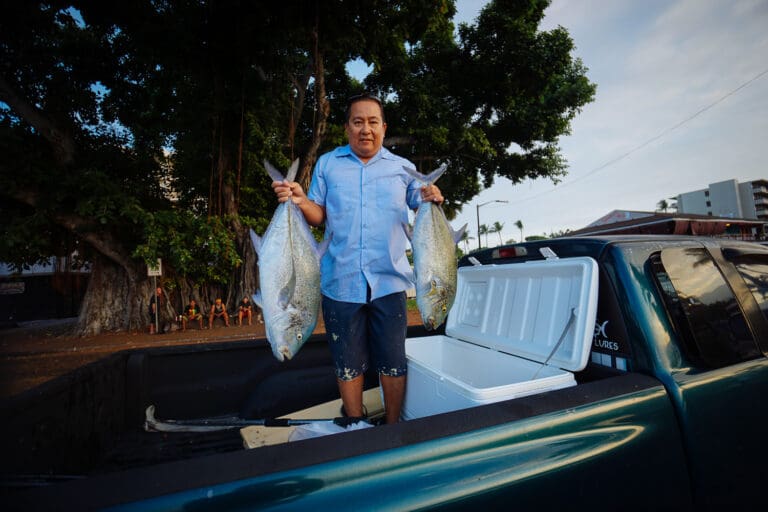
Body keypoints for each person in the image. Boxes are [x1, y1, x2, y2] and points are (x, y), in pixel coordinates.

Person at [271, 93, 444, 424]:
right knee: (346, 361)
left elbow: (420, 204)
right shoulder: (328, 164)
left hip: (390, 280)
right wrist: (298, 199)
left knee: (393, 360)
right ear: (347, 127)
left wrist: (431, 195)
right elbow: (318, 215)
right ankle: (355, 423)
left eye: (373, 122)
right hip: (340, 279)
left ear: (383, 127)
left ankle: (393, 425)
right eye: (358, 121)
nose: (366, 129)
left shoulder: (402, 168)